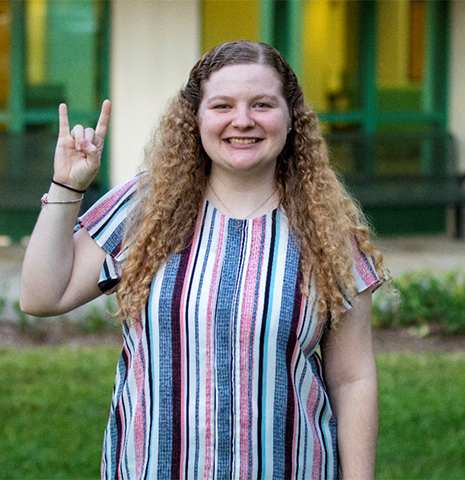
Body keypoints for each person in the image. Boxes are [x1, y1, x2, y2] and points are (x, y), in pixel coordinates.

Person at [20, 40, 387, 480]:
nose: (243, 120)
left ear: (292, 119)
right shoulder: (145, 207)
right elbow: (42, 295)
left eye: (263, 104)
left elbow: (351, 380)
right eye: (222, 105)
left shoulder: (329, 230)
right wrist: (66, 186)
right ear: (195, 118)